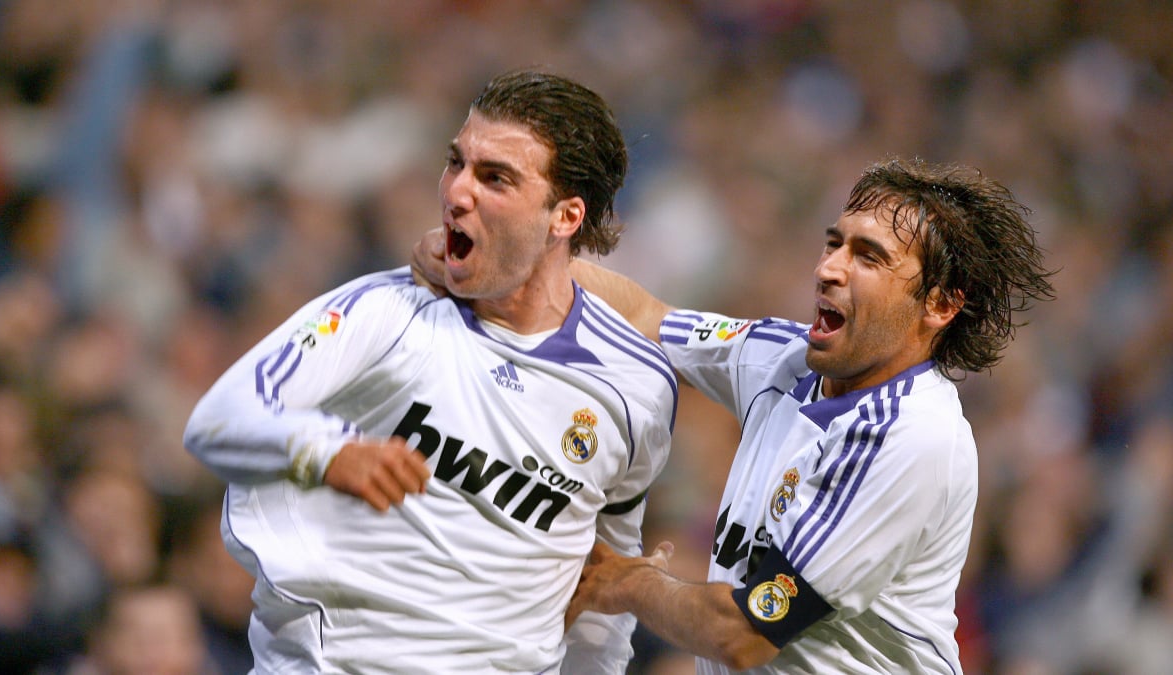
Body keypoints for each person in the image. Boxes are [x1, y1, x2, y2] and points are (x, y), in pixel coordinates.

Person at [419, 157, 1055, 672]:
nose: (828, 267)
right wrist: (507, 260)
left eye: (868, 256)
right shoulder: (789, 362)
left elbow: (747, 632)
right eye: (834, 243)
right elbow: (646, 317)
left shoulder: (914, 436)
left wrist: (627, 582)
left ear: (940, 306)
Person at [183, 70, 676, 674]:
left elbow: (602, 595)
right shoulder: (383, 312)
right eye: (456, 163)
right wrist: (324, 451)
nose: (456, 192)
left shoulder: (635, 388)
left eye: (494, 178)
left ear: (565, 217)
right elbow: (217, 419)